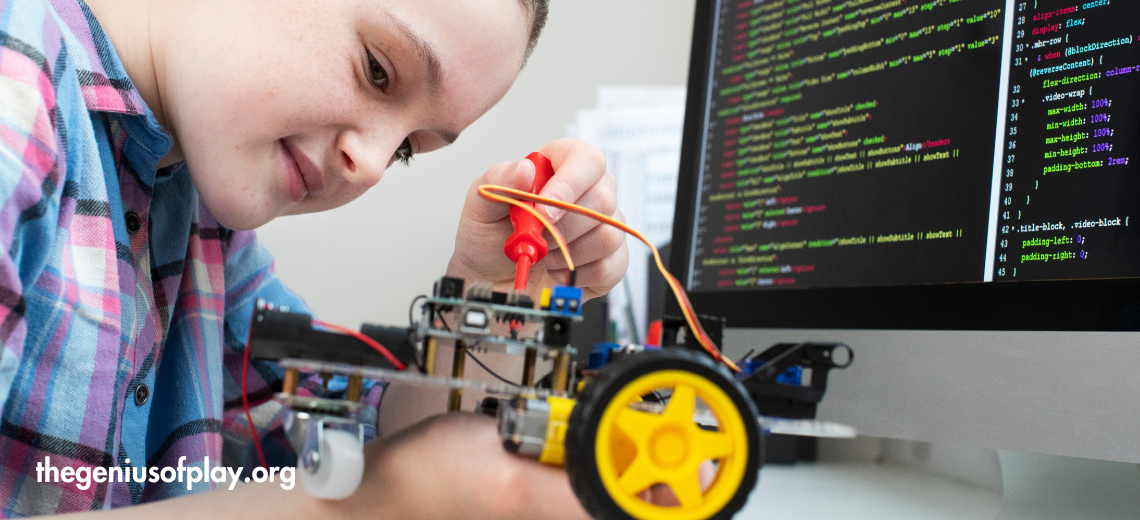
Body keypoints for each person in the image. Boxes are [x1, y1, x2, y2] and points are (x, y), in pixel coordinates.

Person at [0, 0, 629, 517]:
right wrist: (381, 498)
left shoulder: (196, 214)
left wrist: (487, 296)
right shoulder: (15, 92)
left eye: (409, 147)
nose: (376, 164)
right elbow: (375, 472)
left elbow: (340, 429)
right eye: (378, 70)